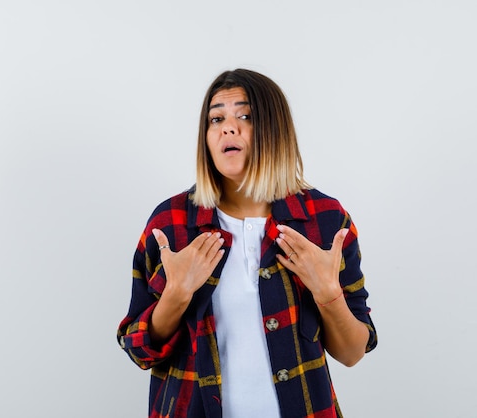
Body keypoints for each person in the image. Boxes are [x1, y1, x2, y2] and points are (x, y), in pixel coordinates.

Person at [117, 68, 377, 418]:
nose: (228, 127)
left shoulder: (325, 219)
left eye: (245, 116)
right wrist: (175, 297)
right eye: (216, 118)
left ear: (275, 129)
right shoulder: (170, 224)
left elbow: (352, 352)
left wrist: (327, 291)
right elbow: (139, 351)